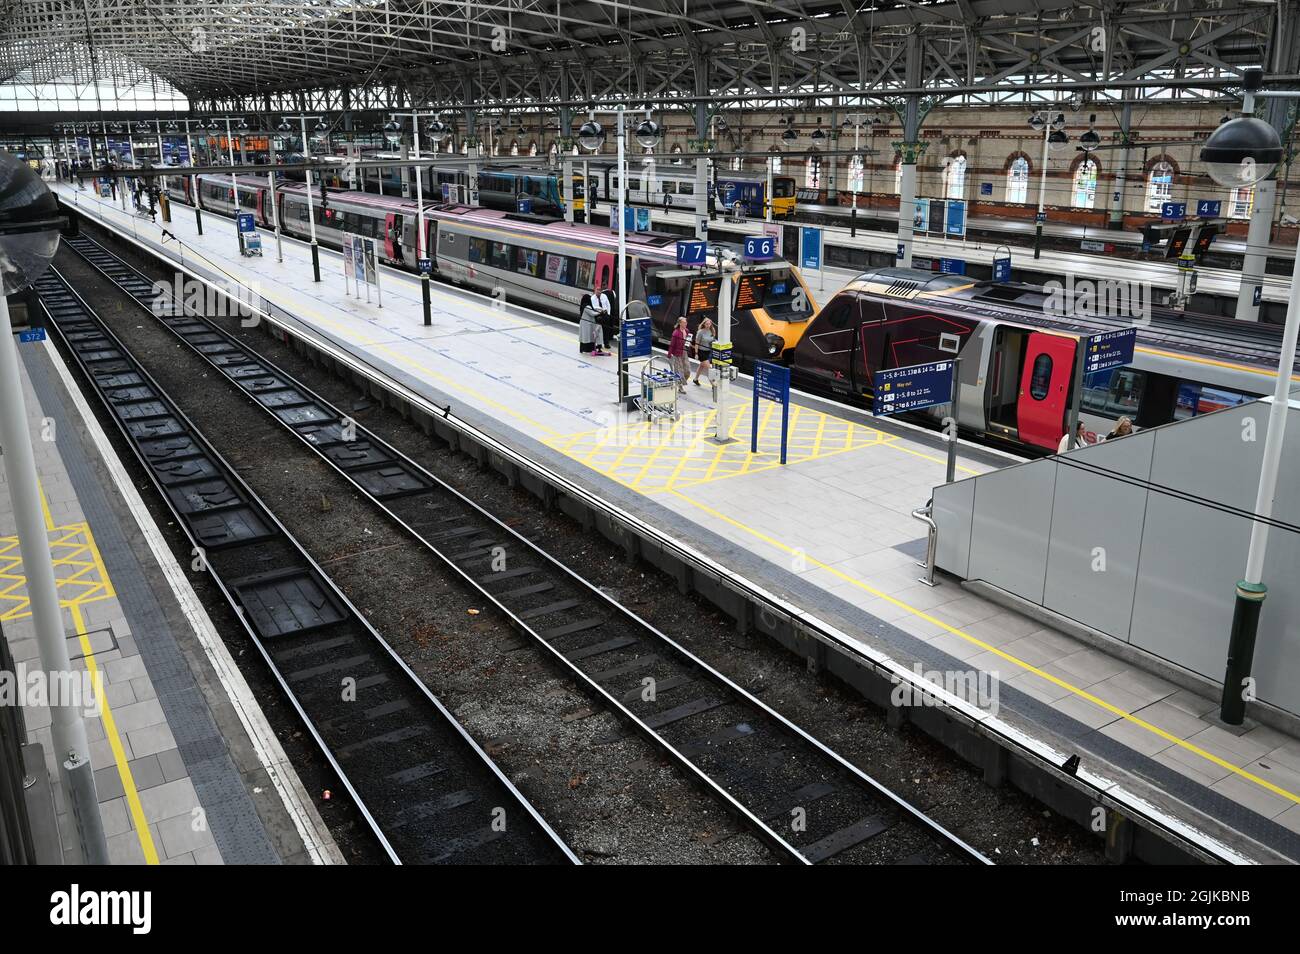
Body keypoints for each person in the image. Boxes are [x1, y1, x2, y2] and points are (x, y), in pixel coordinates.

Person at [668, 316, 690, 392]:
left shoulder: (686, 331)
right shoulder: (676, 333)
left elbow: (687, 341)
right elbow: (672, 344)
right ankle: (680, 387)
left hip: (684, 351)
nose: (686, 324)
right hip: (677, 353)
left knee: (687, 370)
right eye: (684, 322)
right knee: (679, 371)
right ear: (680, 323)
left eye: (686, 322)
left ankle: (681, 382)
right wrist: (669, 353)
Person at [692, 317, 715, 387]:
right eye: (707, 324)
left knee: (701, 366)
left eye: (709, 324)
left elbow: (712, 340)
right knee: (710, 369)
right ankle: (714, 385)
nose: (708, 325)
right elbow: (697, 343)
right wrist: (696, 354)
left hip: (708, 352)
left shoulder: (712, 331)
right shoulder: (700, 332)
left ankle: (695, 379)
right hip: (701, 352)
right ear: (704, 324)